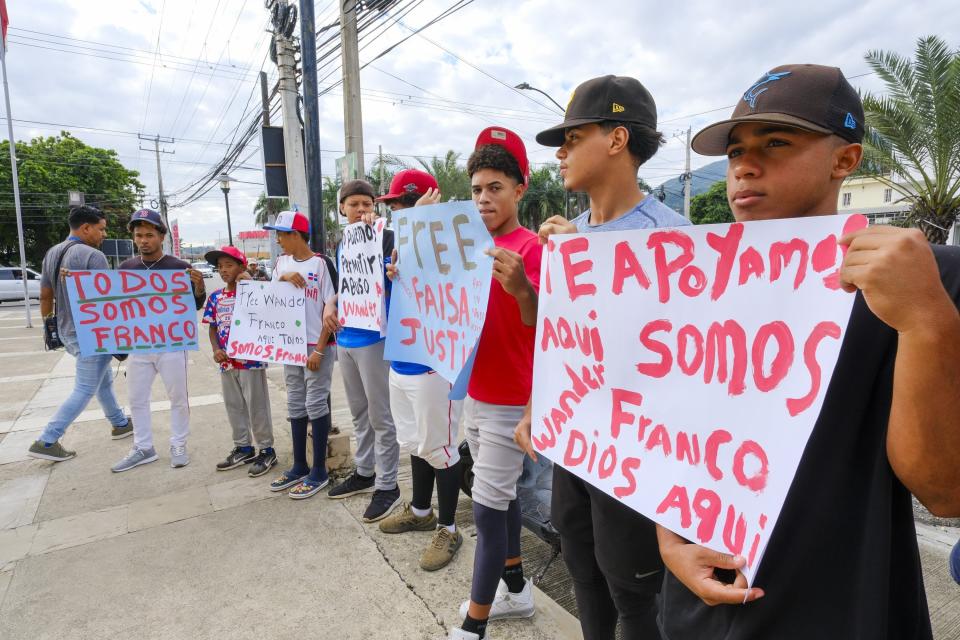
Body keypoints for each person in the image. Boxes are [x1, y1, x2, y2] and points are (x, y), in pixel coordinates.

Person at [654, 64, 960, 639]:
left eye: (776, 143)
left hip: (839, 608)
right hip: (697, 608)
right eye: (736, 150)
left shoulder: (924, 278)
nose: (744, 165)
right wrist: (670, 544)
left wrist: (926, 321)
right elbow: (663, 439)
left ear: (845, 160)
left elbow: (945, 491)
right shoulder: (690, 281)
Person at [517, 74, 690, 640]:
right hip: (574, 443)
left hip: (634, 457)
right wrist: (534, 408)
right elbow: (560, 343)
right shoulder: (569, 237)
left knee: (635, 593)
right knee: (580, 566)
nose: (561, 153)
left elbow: (678, 366)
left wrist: (590, 259)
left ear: (617, 140)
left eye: (572, 137)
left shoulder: (676, 241)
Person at [449, 127, 542, 640]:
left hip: (514, 402)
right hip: (476, 395)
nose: (484, 198)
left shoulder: (534, 248)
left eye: (496, 187)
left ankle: (473, 626)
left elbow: (547, 327)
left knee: (485, 511)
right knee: (501, 500)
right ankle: (517, 589)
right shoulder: (464, 247)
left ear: (520, 189)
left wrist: (523, 287)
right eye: (477, 188)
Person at [376, 169, 465, 571]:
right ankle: (421, 509)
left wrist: (426, 224)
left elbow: (454, 281)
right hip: (403, 357)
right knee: (413, 442)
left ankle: (448, 526)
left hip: (435, 363)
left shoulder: (448, 239)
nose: (397, 212)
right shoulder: (395, 242)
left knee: (440, 448)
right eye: (394, 207)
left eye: (403, 204)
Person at [27, 206, 132, 462]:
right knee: (85, 388)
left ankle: (119, 423)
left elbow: (45, 295)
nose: (104, 234)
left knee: (102, 379)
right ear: (86, 228)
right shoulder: (93, 256)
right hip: (92, 334)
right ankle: (47, 440)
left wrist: (49, 326)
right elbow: (107, 300)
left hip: (67, 331)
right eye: (101, 228)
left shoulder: (52, 253)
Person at [325, 180, 402, 523]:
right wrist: (331, 302)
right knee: (359, 413)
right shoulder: (343, 245)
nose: (360, 210)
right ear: (341, 208)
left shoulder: (386, 237)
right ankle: (365, 471)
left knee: (381, 416)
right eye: (353, 204)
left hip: (376, 338)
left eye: (366, 204)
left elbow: (395, 278)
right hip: (346, 339)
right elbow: (345, 286)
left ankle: (388, 485)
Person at [111, 209, 207, 472]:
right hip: (139, 345)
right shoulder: (126, 268)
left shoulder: (179, 267)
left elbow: (195, 305)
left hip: (172, 345)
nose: (143, 240)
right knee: (136, 398)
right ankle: (143, 447)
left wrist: (199, 287)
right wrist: (76, 283)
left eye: (149, 235)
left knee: (178, 397)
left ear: (161, 236)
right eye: (139, 235)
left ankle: (178, 443)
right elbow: (115, 305)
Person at [264, 210, 338, 499]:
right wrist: (283, 275)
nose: (278, 239)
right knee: (295, 403)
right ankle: (299, 465)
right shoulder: (281, 262)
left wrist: (320, 348)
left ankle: (319, 471)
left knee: (316, 402)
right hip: (289, 344)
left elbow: (330, 309)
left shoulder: (321, 264)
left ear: (296, 235)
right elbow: (269, 295)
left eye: (281, 234)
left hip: (315, 345)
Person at [202, 245, 277, 477]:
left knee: (257, 405)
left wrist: (251, 285)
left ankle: (267, 449)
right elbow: (213, 328)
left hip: (250, 360)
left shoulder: (254, 292)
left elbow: (271, 314)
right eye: (220, 267)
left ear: (242, 267)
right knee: (234, 405)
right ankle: (243, 446)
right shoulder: (216, 297)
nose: (223, 271)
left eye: (229, 265)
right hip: (227, 362)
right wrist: (215, 349)